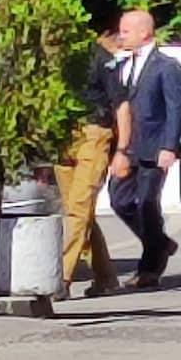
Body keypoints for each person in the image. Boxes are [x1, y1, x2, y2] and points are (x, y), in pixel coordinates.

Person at [108, 9, 181, 289]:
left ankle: (150, 268)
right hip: (131, 147)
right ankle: (161, 243)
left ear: (144, 32)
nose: (121, 36)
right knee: (120, 200)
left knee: (148, 204)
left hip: (154, 147)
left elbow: (176, 108)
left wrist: (169, 146)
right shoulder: (122, 65)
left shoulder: (166, 66)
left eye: (126, 31)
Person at [55, 26, 126, 299]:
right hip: (66, 134)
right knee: (81, 211)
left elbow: (122, 106)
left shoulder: (101, 60)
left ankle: (61, 277)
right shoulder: (57, 60)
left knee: (78, 209)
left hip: (94, 132)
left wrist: (123, 149)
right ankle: (106, 276)